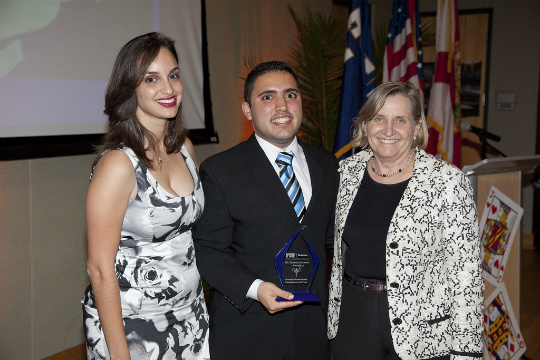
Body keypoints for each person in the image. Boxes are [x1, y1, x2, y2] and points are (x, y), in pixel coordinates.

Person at [192, 61, 339, 360]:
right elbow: (207, 250)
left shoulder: (327, 164)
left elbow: (332, 240)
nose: (282, 106)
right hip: (248, 329)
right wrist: (256, 289)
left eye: (291, 95)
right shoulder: (221, 171)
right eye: (267, 97)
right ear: (248, 110)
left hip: (312, 329)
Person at [327, 81, 484, 360]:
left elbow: (466, 275)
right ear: (365, 125)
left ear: (416, 126)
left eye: (400, 120)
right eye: (379, 119)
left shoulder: (447, 181)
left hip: (423, 328)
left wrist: (466, 351)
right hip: (353, 319)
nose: (388, 130)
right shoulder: (345, 173)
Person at [82, 32, 210, 360]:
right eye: (151, 79)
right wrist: (120, 354)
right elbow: (99, 268)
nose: (168, 89)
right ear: (130, 88)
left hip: (190, 316)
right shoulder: (118, 165)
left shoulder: (185, 149)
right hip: (134, 327)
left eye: (174, 75)